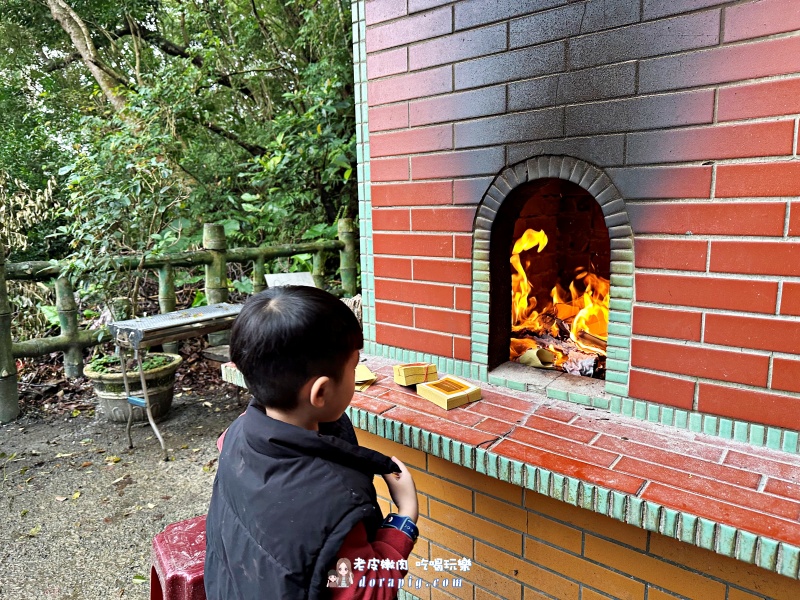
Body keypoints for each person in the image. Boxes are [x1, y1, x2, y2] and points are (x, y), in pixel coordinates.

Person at [204, 286, 419, 600]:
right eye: (353, 366)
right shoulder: (332, 507)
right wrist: (404, 517)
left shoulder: (235, 436)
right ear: (320, 393)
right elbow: (366, 592)